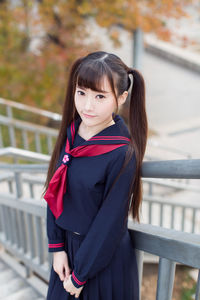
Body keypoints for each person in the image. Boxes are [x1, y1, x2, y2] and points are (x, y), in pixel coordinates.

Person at [42, 51, 148, 300]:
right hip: (67, 255)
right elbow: (55, 190)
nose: (87, 106)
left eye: (100, 96)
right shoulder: (72, 133)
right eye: (82, 93)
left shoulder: (121, 152)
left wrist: (81, 274)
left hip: (101, 262)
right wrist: (57, 247)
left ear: (121, 98)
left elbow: (109, 222)